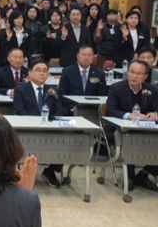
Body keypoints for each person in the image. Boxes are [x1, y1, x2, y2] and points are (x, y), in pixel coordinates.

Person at [106, 60, 158, 191]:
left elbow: (156, 108)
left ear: (145, 76)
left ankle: (145, 173)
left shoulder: (152, 90)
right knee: (129, 140)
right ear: (127, 72)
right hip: (120, 130)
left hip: (146, 130)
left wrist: (155, 113)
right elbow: (111, 110)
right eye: (132, 72)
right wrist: (128, 115)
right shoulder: (116, 88)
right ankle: (129, 176)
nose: (134, 76)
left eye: (139, 73)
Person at [13, 58, 63, 188]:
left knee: (64, 140)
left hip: (50, 129)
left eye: (45, 71)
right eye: (38, 70)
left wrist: (51, 122)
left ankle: (50, 171)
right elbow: (19, 111)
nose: (42, 73)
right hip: (28, 129)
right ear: (30, 73)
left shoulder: (53, 90)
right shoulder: (21, 89)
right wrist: (37, 122)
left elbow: (59, 111)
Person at [58, 45, 108, 114]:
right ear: (77, 56)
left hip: (93, 110)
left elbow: (103, 95)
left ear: (93, 57)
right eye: (83, 55)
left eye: (89, 55)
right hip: (72, 109)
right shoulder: (67, 72)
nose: (86, 57)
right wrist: (72, 108)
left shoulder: (99, 73)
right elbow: (62, 94)